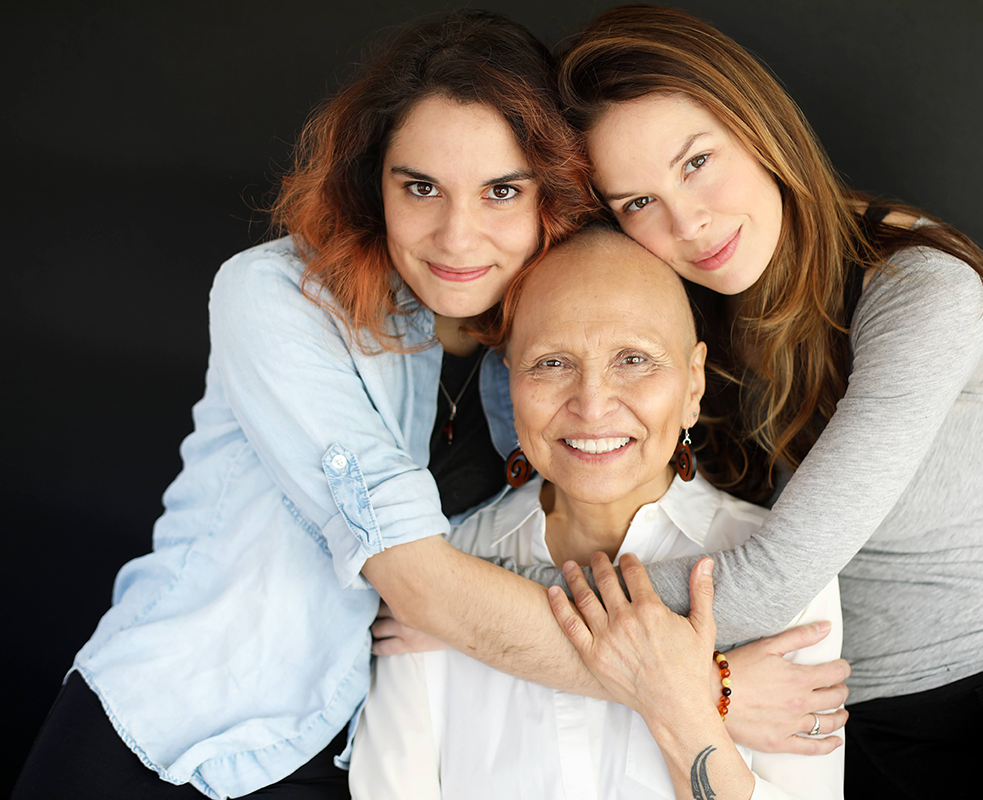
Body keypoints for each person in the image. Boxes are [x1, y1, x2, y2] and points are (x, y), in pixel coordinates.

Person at [13, 10, 846, 799]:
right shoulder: (276, 297)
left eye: (501, 191)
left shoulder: (519, 348)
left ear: (552, 193)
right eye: (420, 187)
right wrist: (710, 688)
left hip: (328, 755)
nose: (455, 236)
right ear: (372, 184)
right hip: (169, 725)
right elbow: (424, 587)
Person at [507, 5, 983, 799]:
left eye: (695, 163)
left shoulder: (923, 288)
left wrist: (478, 602)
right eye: (637, 203)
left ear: (758, 127)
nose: (688, 221)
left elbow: (766, 581)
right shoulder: (683, 328)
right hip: (864, 721)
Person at [350, 227, 844, 800]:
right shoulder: (441, 572)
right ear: (508, 379)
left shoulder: (778, 568)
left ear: (693, 383)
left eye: (634, 359)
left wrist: (680, 702)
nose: (592, 404)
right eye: (552, 363)